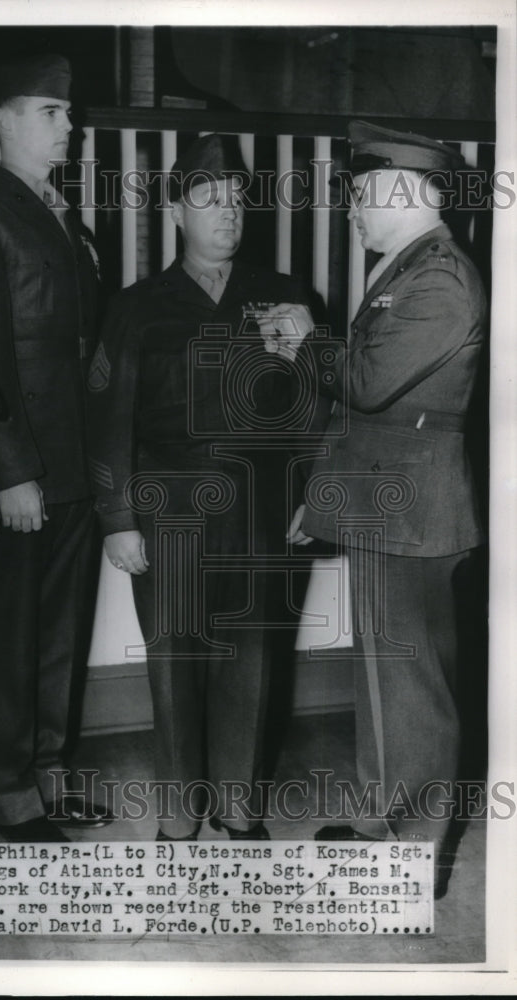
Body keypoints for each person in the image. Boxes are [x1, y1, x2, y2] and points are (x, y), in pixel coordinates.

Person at [87, 134, 316, 840]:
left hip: (261, 507)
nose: (227, 214)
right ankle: (181, 813)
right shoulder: (136, 307)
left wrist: (314, 491)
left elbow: (314, 406)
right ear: (177, 211)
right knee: (176, 659)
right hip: (170, 509)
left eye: (237, 200)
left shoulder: (285, 299)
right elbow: (107, 417)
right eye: (209, 200)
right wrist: (117, 518)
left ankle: (238, 805)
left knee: (253, 659)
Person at [291, 121, 487, 893]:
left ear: (402, 193)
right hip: (388, 504)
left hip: (413, 514)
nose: (351, 213)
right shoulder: (408, 266)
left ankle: (411, 858)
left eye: (360, 196)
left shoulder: (437, 278)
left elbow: (368, 386)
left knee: (412, 690)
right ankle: (381, 819)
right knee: (382, 679)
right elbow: (368, 409)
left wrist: (308, 341)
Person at [0, 54, 110, 843]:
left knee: (59, 635)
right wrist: (11, 472)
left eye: (65, 113)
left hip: (72, 463)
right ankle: (5, 795)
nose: (66, 125)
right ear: (1, 120)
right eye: (48, 111)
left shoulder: (61, 215)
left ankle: (47, 778)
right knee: (9, 640)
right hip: (24, 471)